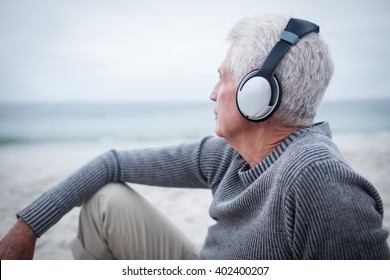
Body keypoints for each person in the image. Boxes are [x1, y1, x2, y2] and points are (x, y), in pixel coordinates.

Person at [0, 14, 389, 260]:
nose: (212, 93)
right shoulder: (231, 155)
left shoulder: (317, 178)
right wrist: (27, 228)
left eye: (222, 77)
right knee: (107, 200)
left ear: (258, 93)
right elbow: (113, 163)